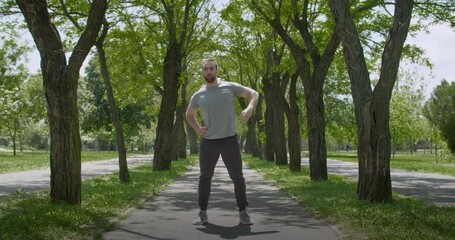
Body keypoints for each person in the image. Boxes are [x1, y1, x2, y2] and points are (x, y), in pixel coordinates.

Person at [186, 58, 259, 225]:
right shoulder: (198, 95)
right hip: (209, 142)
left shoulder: (229, 87)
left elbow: (254, 94)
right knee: (205, 177)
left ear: (217, 70)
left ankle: (243, 212)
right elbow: (189, 115)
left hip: (229, 140)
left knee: (237, 177)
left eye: (211, 68)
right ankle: (202, 213)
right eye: (205, 69)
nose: (209, 71)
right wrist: (198, 129)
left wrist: (249, 108)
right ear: (202, 72)